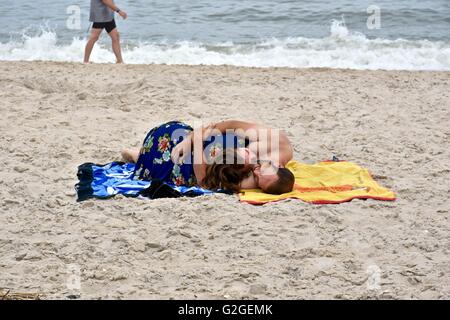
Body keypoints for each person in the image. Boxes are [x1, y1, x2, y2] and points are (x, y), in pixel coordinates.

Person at [121, 120, 295, 194]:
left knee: (169, 162)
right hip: (195, 141)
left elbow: (205, 180)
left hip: (197, 161)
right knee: (176, 140)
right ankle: (141, 155)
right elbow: (228, 125)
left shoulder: (259, 178)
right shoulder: (277, 140)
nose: (256, 170)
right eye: (262, 168)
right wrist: (191, 139)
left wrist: (195, 144)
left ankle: (140, 156)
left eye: (258, 181)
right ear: (279, 165)